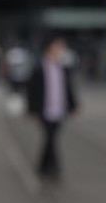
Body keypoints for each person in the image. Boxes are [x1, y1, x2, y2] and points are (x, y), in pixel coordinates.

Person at [26, 33, 79, 180]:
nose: (61, 50)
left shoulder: (64, 68)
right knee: (50, 138)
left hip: (59, 109)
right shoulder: (39, 68)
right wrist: (32, 110)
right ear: (50, 48)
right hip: (44, 109)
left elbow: (69, 89)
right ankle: (53, 166)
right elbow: (32, 91)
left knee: (51, 138)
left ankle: (44, 165)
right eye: (58, 47)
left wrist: (73, 106)